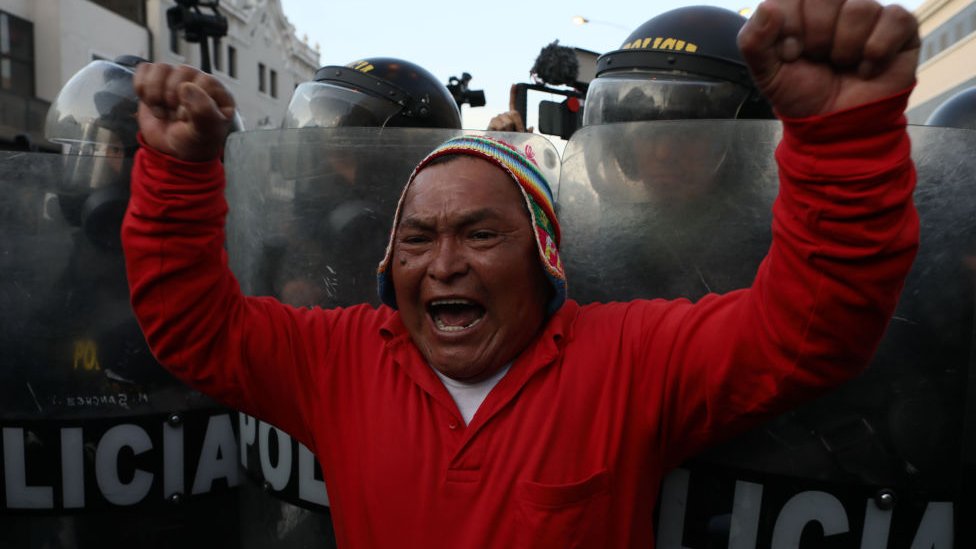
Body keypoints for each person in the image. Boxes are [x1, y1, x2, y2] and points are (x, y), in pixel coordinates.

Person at [122, 0, 921, 547]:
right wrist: (175, 170)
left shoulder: (630, 361)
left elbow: (810, 329)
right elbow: (194, 327)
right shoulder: (338, 360)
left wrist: (844, 140)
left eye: (479, 232)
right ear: (387, 263)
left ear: (543, 257)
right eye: (417, 238)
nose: (443, 263)